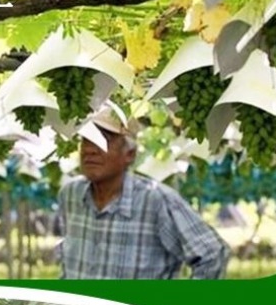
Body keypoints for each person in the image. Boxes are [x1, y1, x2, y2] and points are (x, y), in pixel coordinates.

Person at [58, 106, 228, 280]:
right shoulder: (71, 195)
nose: (89, 150)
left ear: (129, 155)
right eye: (86, 140)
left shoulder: (156, 200)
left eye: (103, 140)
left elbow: (212, 254)